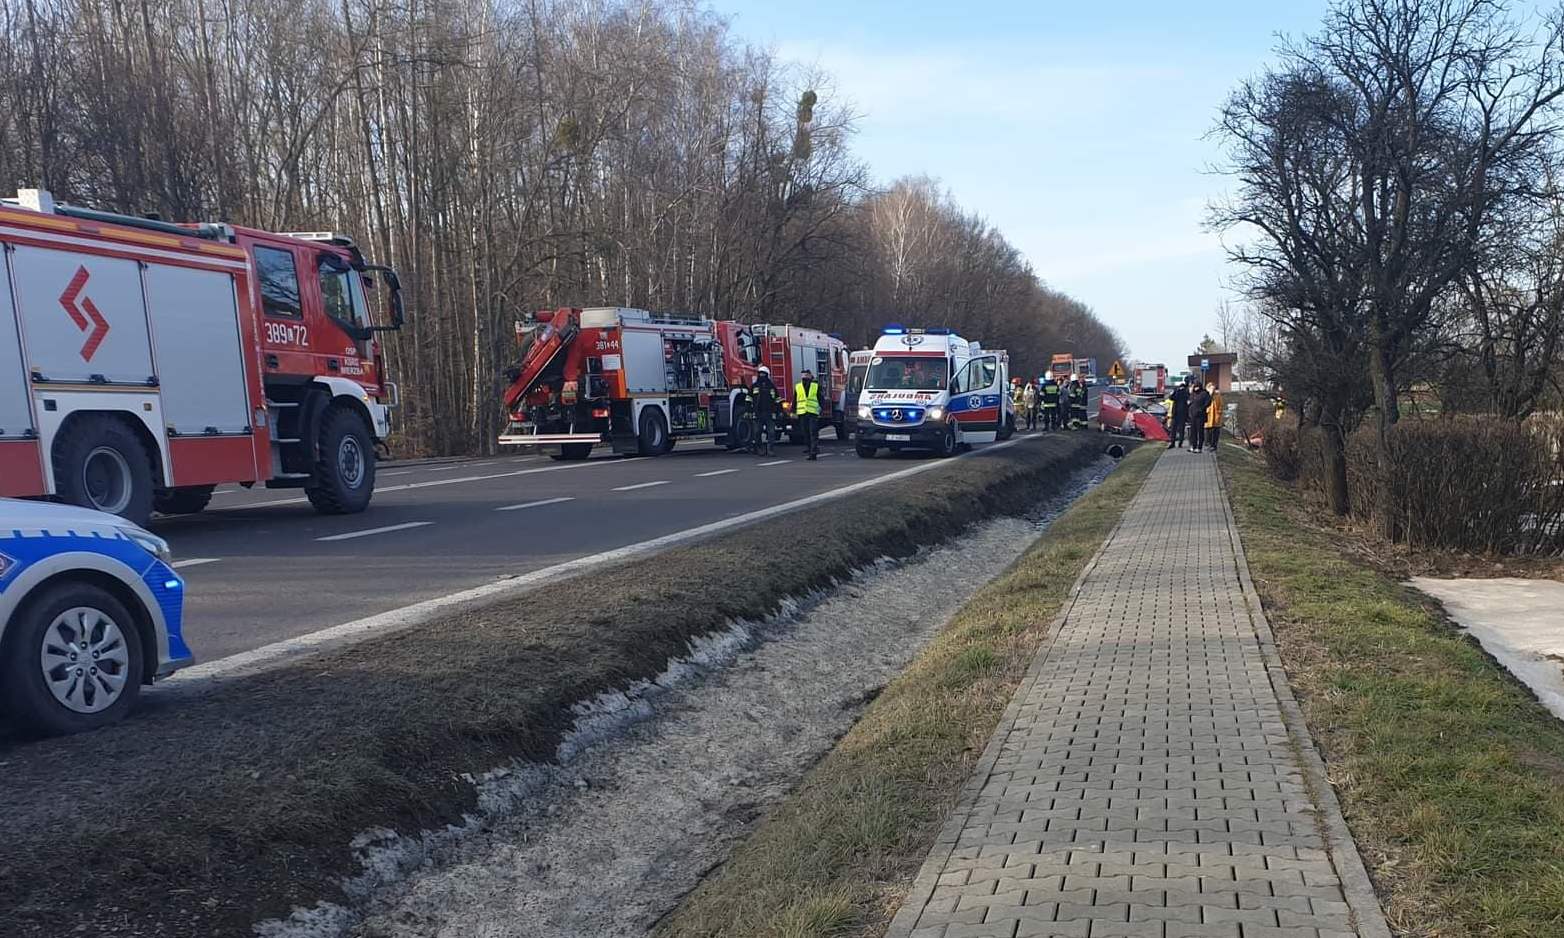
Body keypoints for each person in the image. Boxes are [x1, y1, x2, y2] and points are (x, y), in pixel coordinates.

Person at [749, 365, 777, 455]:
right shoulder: (754, 386)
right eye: (760, 374)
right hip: (758, 413)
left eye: (763, 374)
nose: (762, 376)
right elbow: (748, 399)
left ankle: (770, 450)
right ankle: (760, 448)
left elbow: (777, 399)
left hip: (770, 413)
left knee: (771, 433)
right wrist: (748, 410)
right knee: (757, 432)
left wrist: (779, 411)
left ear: (767, 375)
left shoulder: (772, 387)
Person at [795, 368, 822, 460]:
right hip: (802, 413)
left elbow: (820, 398)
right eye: (803, 376)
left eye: (806, 375)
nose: (805, 377)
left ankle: (813, 452)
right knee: (805, 433)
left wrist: (820, 409)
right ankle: (810, 449)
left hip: (812, 413)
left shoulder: (815, 386)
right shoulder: (798, 386)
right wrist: (792, 411)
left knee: (813, 432)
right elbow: (795, 399)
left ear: (810, 376)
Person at [1187, 380, 1211, 453]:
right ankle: (1193, 446)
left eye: (1197, 386)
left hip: (1200, 416)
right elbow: (1190, 402)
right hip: (1192, 415)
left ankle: (1199, 447)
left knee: (1200, 432)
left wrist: (1202, 409)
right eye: (1195, 387)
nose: (1196, 388)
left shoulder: (1204, 394)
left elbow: (1208, 402)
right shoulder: (1193, 394)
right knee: (1192, 432)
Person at [1168, 380, 1190, 448]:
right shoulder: (1186, 392)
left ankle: (1172, 443)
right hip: (1182, 414)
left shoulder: (1177, 392)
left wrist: (1175, 391)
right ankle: (1180, 443)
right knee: (1181, 429)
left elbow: (1171, 397)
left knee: (1173, 429)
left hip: (1175, 413)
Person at [1205, 382, 1224, 452]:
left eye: (1213, 388)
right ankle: (1208, 444)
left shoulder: (1217, 395)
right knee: (1208, 431)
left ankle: (1214, 445)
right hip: (1208, 416)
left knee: (1215, 431)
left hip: (1216, 416)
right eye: (1211, 388)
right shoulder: (1206, 395)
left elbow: (1221, 405)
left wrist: (1219, 413)